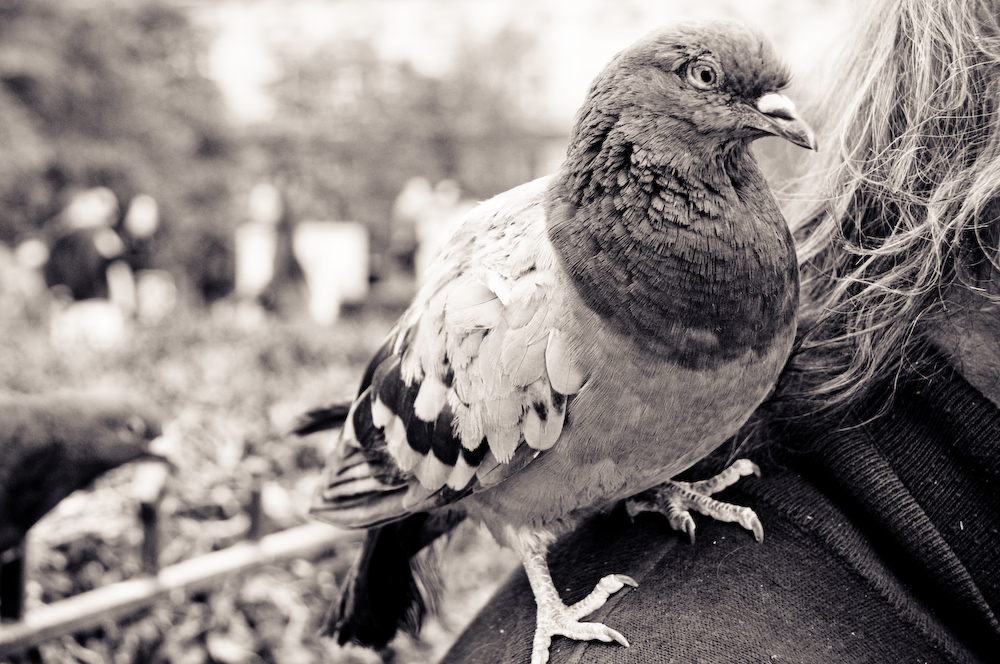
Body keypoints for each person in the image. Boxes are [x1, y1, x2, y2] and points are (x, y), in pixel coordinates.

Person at [439, 0, 1000, 661]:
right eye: (707, 78)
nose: (776, 107)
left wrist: (653, 474)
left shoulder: (758, 244)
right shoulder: (538, 291)